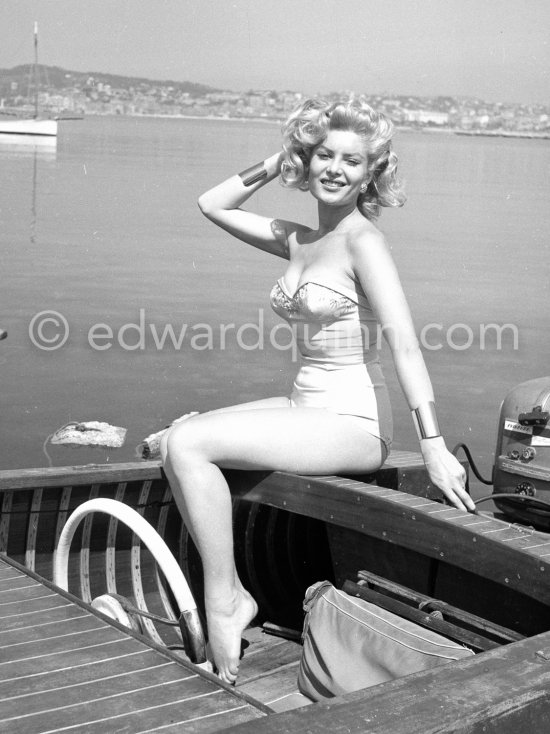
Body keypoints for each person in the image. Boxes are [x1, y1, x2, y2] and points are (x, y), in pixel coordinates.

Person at [160, 97, 475, 684]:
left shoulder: (364, 243)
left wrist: (432, 443)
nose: (334, 168)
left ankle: (227, 599)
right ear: (305, 161)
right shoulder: (300, 239)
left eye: (351, 161)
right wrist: (278, 159)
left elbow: (404, 343)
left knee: (190, 444)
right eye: (323, 154)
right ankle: (227, 592)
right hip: (306, 406)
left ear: (370, 173)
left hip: (354, 423)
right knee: (179, 431)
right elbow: (212, 203)